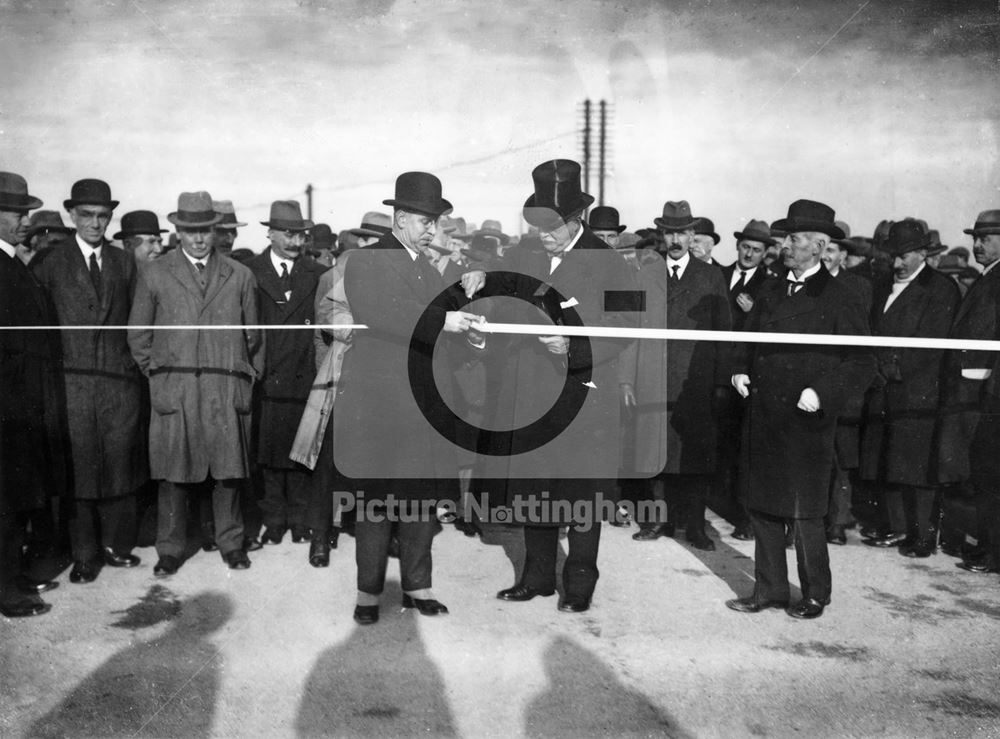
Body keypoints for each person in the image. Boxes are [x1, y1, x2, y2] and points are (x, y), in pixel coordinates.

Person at [476, 159, 637, 613]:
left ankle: (580, 582)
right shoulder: (524, 253)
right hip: (530, 392)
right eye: (536, 226)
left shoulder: (612, 261)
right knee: (535, 486)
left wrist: (574, 341)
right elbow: (503, 301)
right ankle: (537, 577)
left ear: (576, 220)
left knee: (581, 493)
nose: (542, 235)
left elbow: (630, 323)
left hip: (583, 393)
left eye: (550, 228)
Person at [333, 172, 482, 625]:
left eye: (434, 222)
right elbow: (383, 313)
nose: (432, 230)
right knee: (376, 504)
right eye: (424, 222)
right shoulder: (364, 261)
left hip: (421, 403)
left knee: (418, 501)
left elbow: (439, 314)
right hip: (379, 403)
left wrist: (468, 311)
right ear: (399, 219)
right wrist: (446, 322)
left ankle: (419, 586)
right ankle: (367, 594)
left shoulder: (424, 264)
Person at [728, 199, 876, 619]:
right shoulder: (770, 287)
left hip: (806, 418)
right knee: (762, 505)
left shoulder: (842, 294)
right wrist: (740, 370)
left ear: (819, 245)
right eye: (787, 238)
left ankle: (815, 594)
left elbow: (863, 361)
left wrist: (823, 393)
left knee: (805, 511)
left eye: (793, 239)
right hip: (765, 413)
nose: (785, 245)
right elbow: (748, 340)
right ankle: (769, 589)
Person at [127, 191, 262, 576]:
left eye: (205, 230)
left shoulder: (239, 276)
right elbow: (139, 336)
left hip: (225, 388)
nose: (199, 239)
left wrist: (245, 381)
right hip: (177, 390)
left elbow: (255, 338)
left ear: (215, 231)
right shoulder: (155, 274)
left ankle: (231, 543)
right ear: (178, 231)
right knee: (174, 474)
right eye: (190, 231)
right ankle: (169, 548)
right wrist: (160, 376)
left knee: (228, 473)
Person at [32, 179, 148, 585]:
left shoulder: (125, 263)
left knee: (119, 464)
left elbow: (139, 320)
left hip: (119, 382)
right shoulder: (50, 263)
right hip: (73, 382)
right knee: (80, 470)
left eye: (102, 216)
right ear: (71, 215)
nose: (95, 223)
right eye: (86, 215)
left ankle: (117, 546)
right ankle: (84, 555)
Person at [628, 201, 731, 550]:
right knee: (654, 449)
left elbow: (724, 332)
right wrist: (628, 378)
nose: (675, 239)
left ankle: (694, 524)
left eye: (682, 232)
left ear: (692, 235)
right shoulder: (644, 274)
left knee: (695, 453)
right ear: (662, 235)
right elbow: (629, 330)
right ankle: (657, 520)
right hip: (652, 376)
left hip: (694, 381)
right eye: (669, 232)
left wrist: (719, 382)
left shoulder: (711, 276)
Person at [859, 219, 959, 557]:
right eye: (893, 256)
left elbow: (933, 344)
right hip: (882, 386)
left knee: (917, 466)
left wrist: (891, 368)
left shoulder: (941, 289)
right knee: (886, 458)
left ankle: (923, 535)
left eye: (904, 257)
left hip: (918, 391)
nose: (897, 264)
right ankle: (896, 526)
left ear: (922, 254)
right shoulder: (882, 283)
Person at [0, 172, 62, 617]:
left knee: (16, 494)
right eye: (14, 212)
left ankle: (12, 574)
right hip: (8, 400)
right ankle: (7, 588)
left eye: (24, 211)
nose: (23, 220)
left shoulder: (12, 261)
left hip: (22, 398)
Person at [248, 201, 327, 546]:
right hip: (267, 377)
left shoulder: (316, 272)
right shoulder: (250, 271)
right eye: (288, 234)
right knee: (268, 454)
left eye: (300, 235)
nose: (296, 241)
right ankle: (273, 520)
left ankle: (299, 519)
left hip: (303, 373)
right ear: (270, 233)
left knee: (300, 451)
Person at [938, 209, 1000, 575]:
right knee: (984, 475)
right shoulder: (986, 278)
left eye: (986, 239)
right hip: (977, 391)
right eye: (976, 238)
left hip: (988, 394)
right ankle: (989, 547)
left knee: (991, 475)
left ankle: (994, 552)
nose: (977, 245)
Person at [715, 219, 779, 540]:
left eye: (757, 250)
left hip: (745, 375)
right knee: (716, 442)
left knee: (743, 447)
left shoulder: (770, 285)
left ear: (766, 253)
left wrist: (755, 311)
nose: (749, 254)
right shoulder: (718, 275)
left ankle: (745, 517)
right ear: (737, 246)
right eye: (745, 247)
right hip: (715, 369)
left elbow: (775, 326)